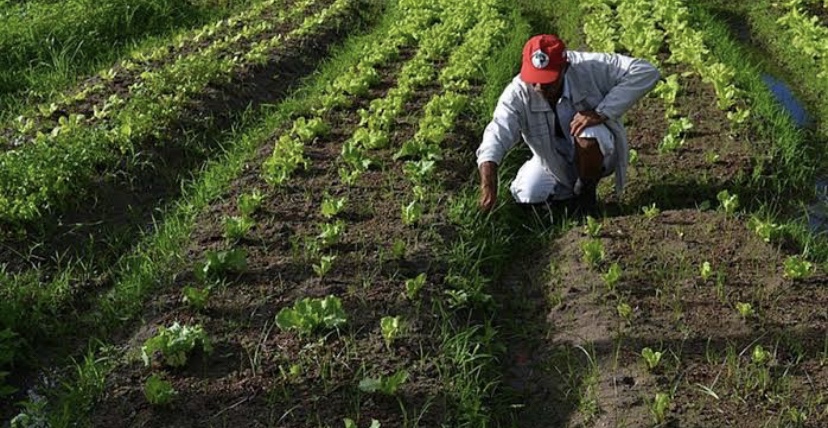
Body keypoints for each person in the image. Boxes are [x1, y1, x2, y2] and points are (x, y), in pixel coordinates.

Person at [476, 34, 660, 215]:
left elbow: (646, 71)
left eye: (548, 81)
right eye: (535, 79)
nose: (539, 87)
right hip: (553, 159)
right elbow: (496, 134)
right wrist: (488, 187)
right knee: (528, 193)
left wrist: (602, 112)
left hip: (599, 152)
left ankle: (586, 197)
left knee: (588, 133)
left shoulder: (591, 67)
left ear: (565, 67)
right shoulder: (518, 93)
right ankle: (566, 201)